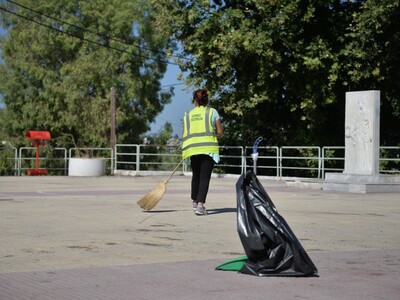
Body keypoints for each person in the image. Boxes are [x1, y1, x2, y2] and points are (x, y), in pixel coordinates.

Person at [182, 88, 223, 216]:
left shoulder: (187, 115)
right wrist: (214, 134)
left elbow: (184, 133)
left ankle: (195, 201)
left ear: (195, 100)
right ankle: (200, 205)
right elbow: (220, 132)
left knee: (196, 175)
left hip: (192, 149)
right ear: (206, 100)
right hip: (207, 149)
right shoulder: (212, 112)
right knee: (204, 177)